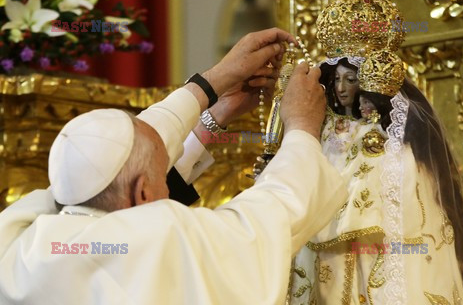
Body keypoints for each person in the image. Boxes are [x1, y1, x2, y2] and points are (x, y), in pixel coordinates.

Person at [0, 28, 349, 304]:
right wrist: (302, 126)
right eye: (162, 173)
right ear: (142, 193)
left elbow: (120, 157)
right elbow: (274, 214)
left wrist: (211, 94)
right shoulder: (159, 237)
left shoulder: (22, 243)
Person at [288, 50, 463, 304]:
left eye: (350, 80)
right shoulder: (325, 130)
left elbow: (404, 191)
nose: (341, 89)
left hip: (376, 239)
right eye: (336, 80)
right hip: (326, 242)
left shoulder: (390, 139)